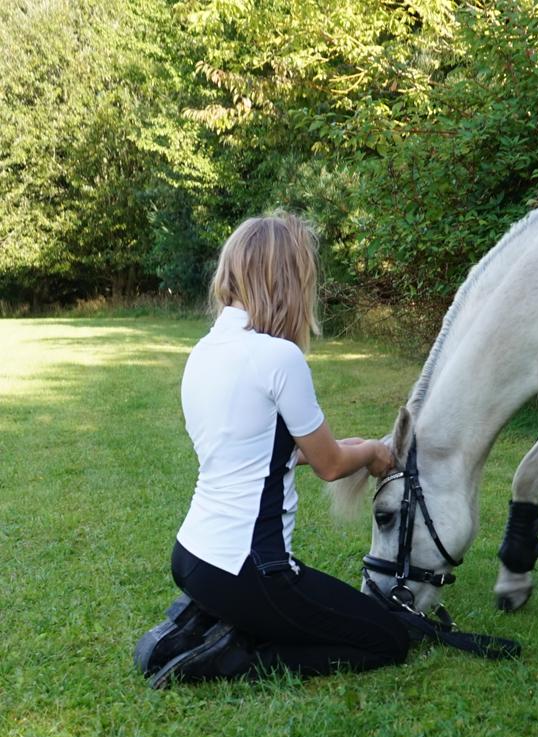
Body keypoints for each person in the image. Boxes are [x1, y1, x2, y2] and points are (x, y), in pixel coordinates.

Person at [134, 212, 411, 689]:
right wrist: (370, 452)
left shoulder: (203, 352)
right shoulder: (277, 357)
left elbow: (263, 452)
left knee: (338, 618)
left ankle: (217, 621)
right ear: (287, 281)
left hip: (193, 559)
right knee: (387, 639)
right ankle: (235, 656)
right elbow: (329, 465)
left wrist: (352, 448)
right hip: (250, 570)